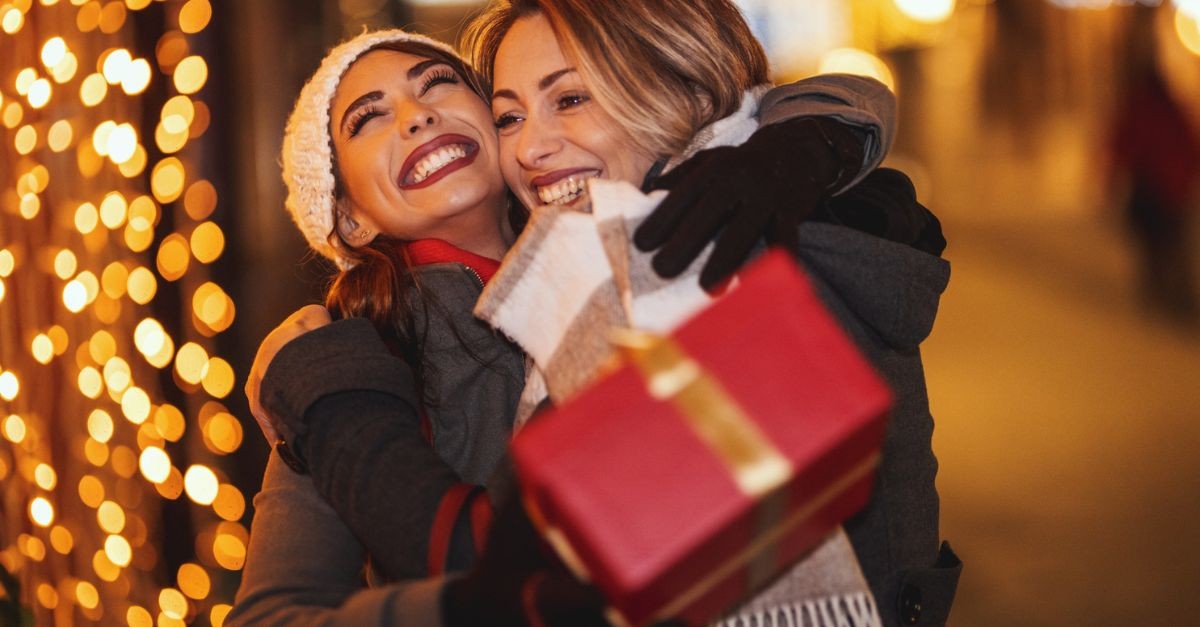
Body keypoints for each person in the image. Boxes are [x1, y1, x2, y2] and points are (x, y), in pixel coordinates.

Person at [233, 9, 941, 627]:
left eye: (439, 85)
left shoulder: (680, 268)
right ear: (347, 216)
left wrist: (821, 141)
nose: (534, 142)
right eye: (367, 117)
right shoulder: (348, 358)